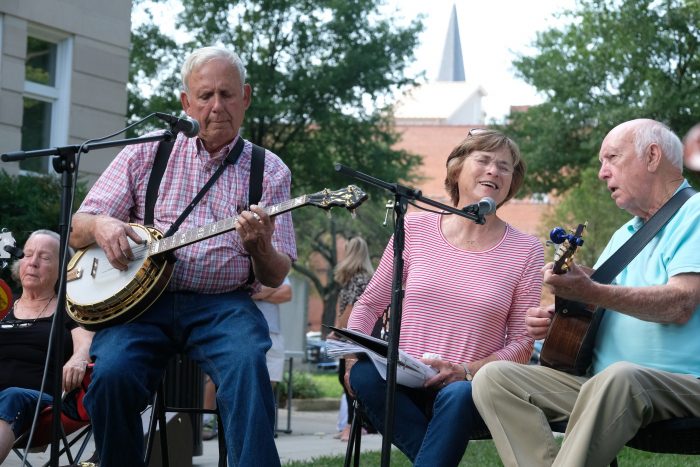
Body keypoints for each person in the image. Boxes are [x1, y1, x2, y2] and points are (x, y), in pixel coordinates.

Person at [69, 46, 297, 467]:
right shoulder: (146, 152)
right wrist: (103, 225)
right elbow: (79, 226)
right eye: (205, 95)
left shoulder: (270, 170)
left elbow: (277, 272)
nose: (217, 106)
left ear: (245, 97)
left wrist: (260, 246)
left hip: (222, 305)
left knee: (248, 365)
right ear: (185, 103)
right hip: (141, 306)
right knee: (112, 376)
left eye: (227, 95)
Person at [472, 119, 700, 467]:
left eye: (611, 158)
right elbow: (604, 302)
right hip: (602, 386)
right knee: (495, 378)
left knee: (620, 378)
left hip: (683, 384)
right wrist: (561, 321)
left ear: (652, 156)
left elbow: (680, 304)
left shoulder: (694, 214)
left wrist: (592, 289)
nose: (601, 173)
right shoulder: (626, 233)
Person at [345, 128, 544, 466]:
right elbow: (370, 303)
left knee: (459, 394)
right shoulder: (414, 229)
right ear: (456, 169)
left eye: (505, 166)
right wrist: (351, 361)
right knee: (365, 374)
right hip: (404, 381)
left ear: (512, 181)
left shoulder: (527, 250)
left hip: (470, 388)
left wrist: (465, 370)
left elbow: (523, 344)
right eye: (483, 160)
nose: (494, 170)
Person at [0, 230, 93, 463]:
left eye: (44, 257)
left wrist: (78, 357)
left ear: (63, 268)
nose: (32, 262)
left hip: (41, 407)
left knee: (12, 397)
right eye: (28, 254)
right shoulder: (5, 308)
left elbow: (86, 343)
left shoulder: (70, 309)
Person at [202, 277, 293, 441]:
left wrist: (257, 292)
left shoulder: (271, 267)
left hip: (273, 330)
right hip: (243, 328)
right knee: (216, 377)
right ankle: (207, 420)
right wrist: (270, 288)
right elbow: (247, 293)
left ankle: (258, 424)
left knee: (268, 379)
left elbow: (287, 294)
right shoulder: (242, 269)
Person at [329, 236, 374, 442]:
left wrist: (337, 330)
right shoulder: (355, 278)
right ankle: (353, 423)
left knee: (349, 377)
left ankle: (357, 424)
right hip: (348, 335)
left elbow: (351, 309)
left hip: (353, 336)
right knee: (344, 378)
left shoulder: (359, 279)